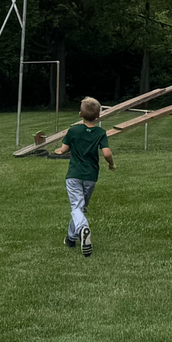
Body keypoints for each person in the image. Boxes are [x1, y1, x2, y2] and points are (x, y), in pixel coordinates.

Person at [53, 96, 114, 256]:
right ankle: (71, 238)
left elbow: (64, 149)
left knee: (76, 207)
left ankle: (82, 229)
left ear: (80, 114)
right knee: (81, 207)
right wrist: (111, 164)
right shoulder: (101, 133)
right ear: (98, 116)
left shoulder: (73, 130)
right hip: (91, 176)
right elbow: (107, 152)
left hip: (74, 175)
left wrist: (59, 151)